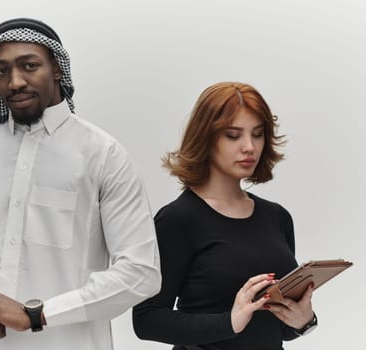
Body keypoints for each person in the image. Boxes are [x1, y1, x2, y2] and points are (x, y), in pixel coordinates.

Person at [0, 18, 161, 350]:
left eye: (29, 66)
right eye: (2, 71)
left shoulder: (103, 155)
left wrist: (38, 315)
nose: (15, 82)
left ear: (56, 68)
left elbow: (141, 272)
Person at [132, 82, 317, 350]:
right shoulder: (177, 220)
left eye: (257, 134)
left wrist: (303, 321)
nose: (249, 147)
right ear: (206, 138)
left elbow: (278, 328)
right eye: (233, 135)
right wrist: (228, 322)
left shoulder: (277, 217)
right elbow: (146, 320)